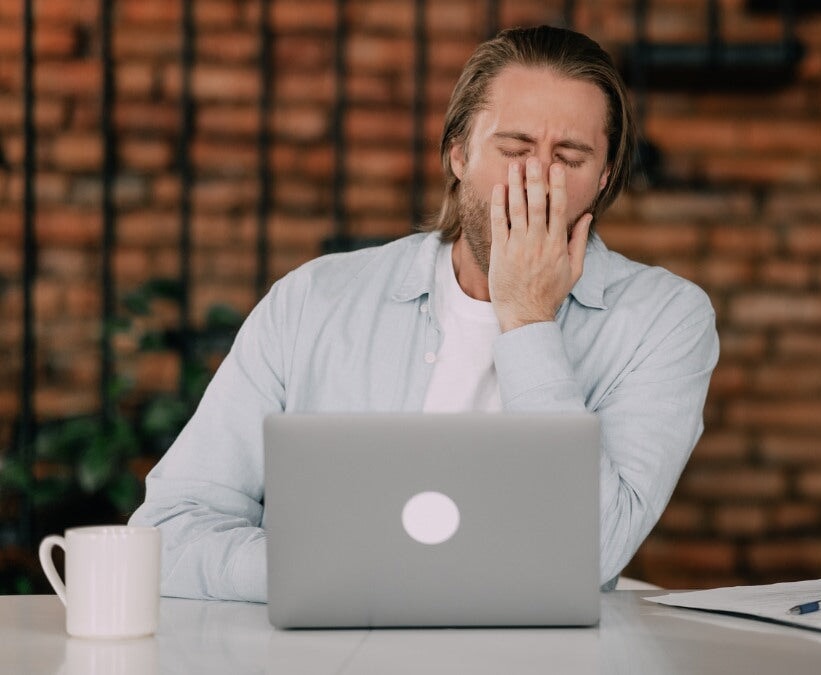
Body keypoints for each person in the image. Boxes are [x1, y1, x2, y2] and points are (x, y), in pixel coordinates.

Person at [129, 25, 719, 602]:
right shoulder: (312, 301)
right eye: (514, 150)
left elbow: (592, 551)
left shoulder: (664, 320)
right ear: (459, 154)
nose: (537, 181)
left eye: (569, 158)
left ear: (604, 179)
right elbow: (171, 530)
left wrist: (528, 319)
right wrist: (333, 573)